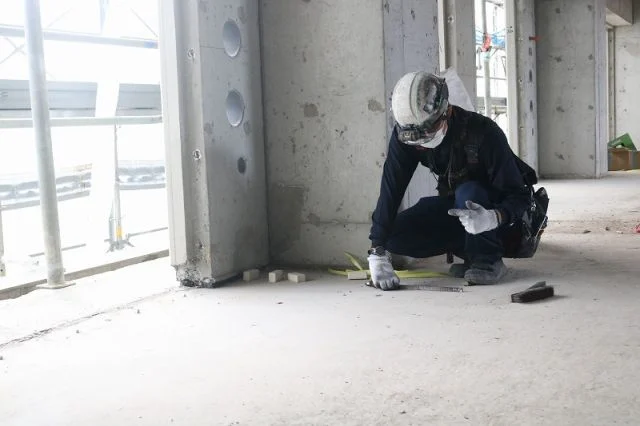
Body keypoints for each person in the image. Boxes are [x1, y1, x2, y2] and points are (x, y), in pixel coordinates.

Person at [367, 71, 532, 290]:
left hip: (500, 218)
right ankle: (469, 251)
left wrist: (493, 218)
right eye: (415, 141)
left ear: (447, 111)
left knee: (469, 193)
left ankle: (487, 259)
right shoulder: (407, 136)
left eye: (427, 134)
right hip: (459, 209)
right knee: (394, 236)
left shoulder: (484, 133)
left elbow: (519, 197)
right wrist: (377, 250)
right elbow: (391, 189)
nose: (421, 145)